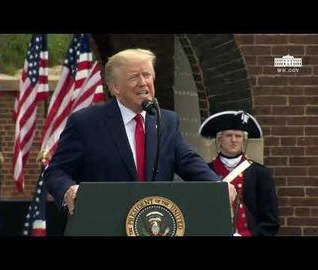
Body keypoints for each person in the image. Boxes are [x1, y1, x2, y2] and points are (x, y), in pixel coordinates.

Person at [43, 48, 236, 216]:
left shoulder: (166, 120)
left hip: (155, 221)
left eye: (147, 75)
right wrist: (69, 190)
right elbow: (56, 172)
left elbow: (188, 161)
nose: (143, 83)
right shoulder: (86, 123)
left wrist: (217, 186)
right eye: (134, 77)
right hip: (103, 220)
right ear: (114, 87)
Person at [199, 110, 280, 236]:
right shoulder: (205, 171)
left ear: (244, 140)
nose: (233, 140)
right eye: (229, 135)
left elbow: (270, 220)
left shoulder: (260, 173)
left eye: (238, 136)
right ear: (219, 140)